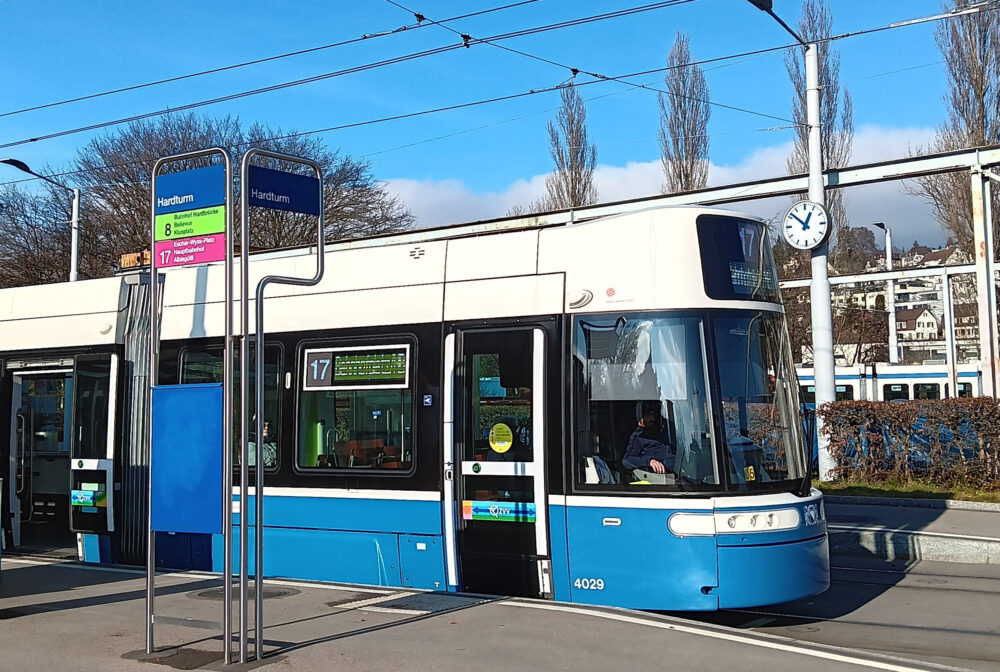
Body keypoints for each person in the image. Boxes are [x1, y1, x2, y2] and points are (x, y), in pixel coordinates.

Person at [622, 401, 674, 475]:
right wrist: (649, 461)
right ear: (641, 417)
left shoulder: (664, 431)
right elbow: (627, 460)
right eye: (649, 415)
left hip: (683, 476)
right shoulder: (638, 438)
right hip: (661, 478)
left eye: (653, 414)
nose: (653, 418)